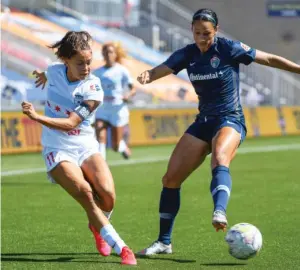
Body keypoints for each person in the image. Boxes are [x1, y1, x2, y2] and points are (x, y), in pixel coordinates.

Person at [136, 8, 300, 255]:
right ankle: (164, 242)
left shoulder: (228, 48)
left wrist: (298, 70)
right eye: (198, 33)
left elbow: (267, 59)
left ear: (217, 30)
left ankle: (219, 210)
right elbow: (162, 69)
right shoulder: (187, 54)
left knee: (220, 159)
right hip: (203, 121)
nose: (203, 38)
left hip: (230, 118)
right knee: (170, 179)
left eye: (208, 33)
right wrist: (148, 75)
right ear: (191, 30)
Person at [26, 31, 137, 265]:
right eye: (80, 63)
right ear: (65, 60)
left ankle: (97, 226)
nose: (86, 67)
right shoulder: (55, 71)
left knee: (108, 197)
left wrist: (36, 117)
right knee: (86, 194)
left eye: (89, 62)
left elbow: (70, 124)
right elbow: (51, 73)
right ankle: (123, 248)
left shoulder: (94, 88)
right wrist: (43, 76)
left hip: (85, 144)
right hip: (57, 148)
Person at [93, 42, 135, 160]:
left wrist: (127, 95)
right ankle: (101, 165)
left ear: (115, 54)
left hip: (117, 109)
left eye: (110, 52)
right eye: (105, 52)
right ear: (102, 54)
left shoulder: (122, 70)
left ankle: (122, 147)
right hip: (102, 109)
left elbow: (133, 89)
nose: (108, 54)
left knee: (115, 146)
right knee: (100, 137)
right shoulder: (97, 72)